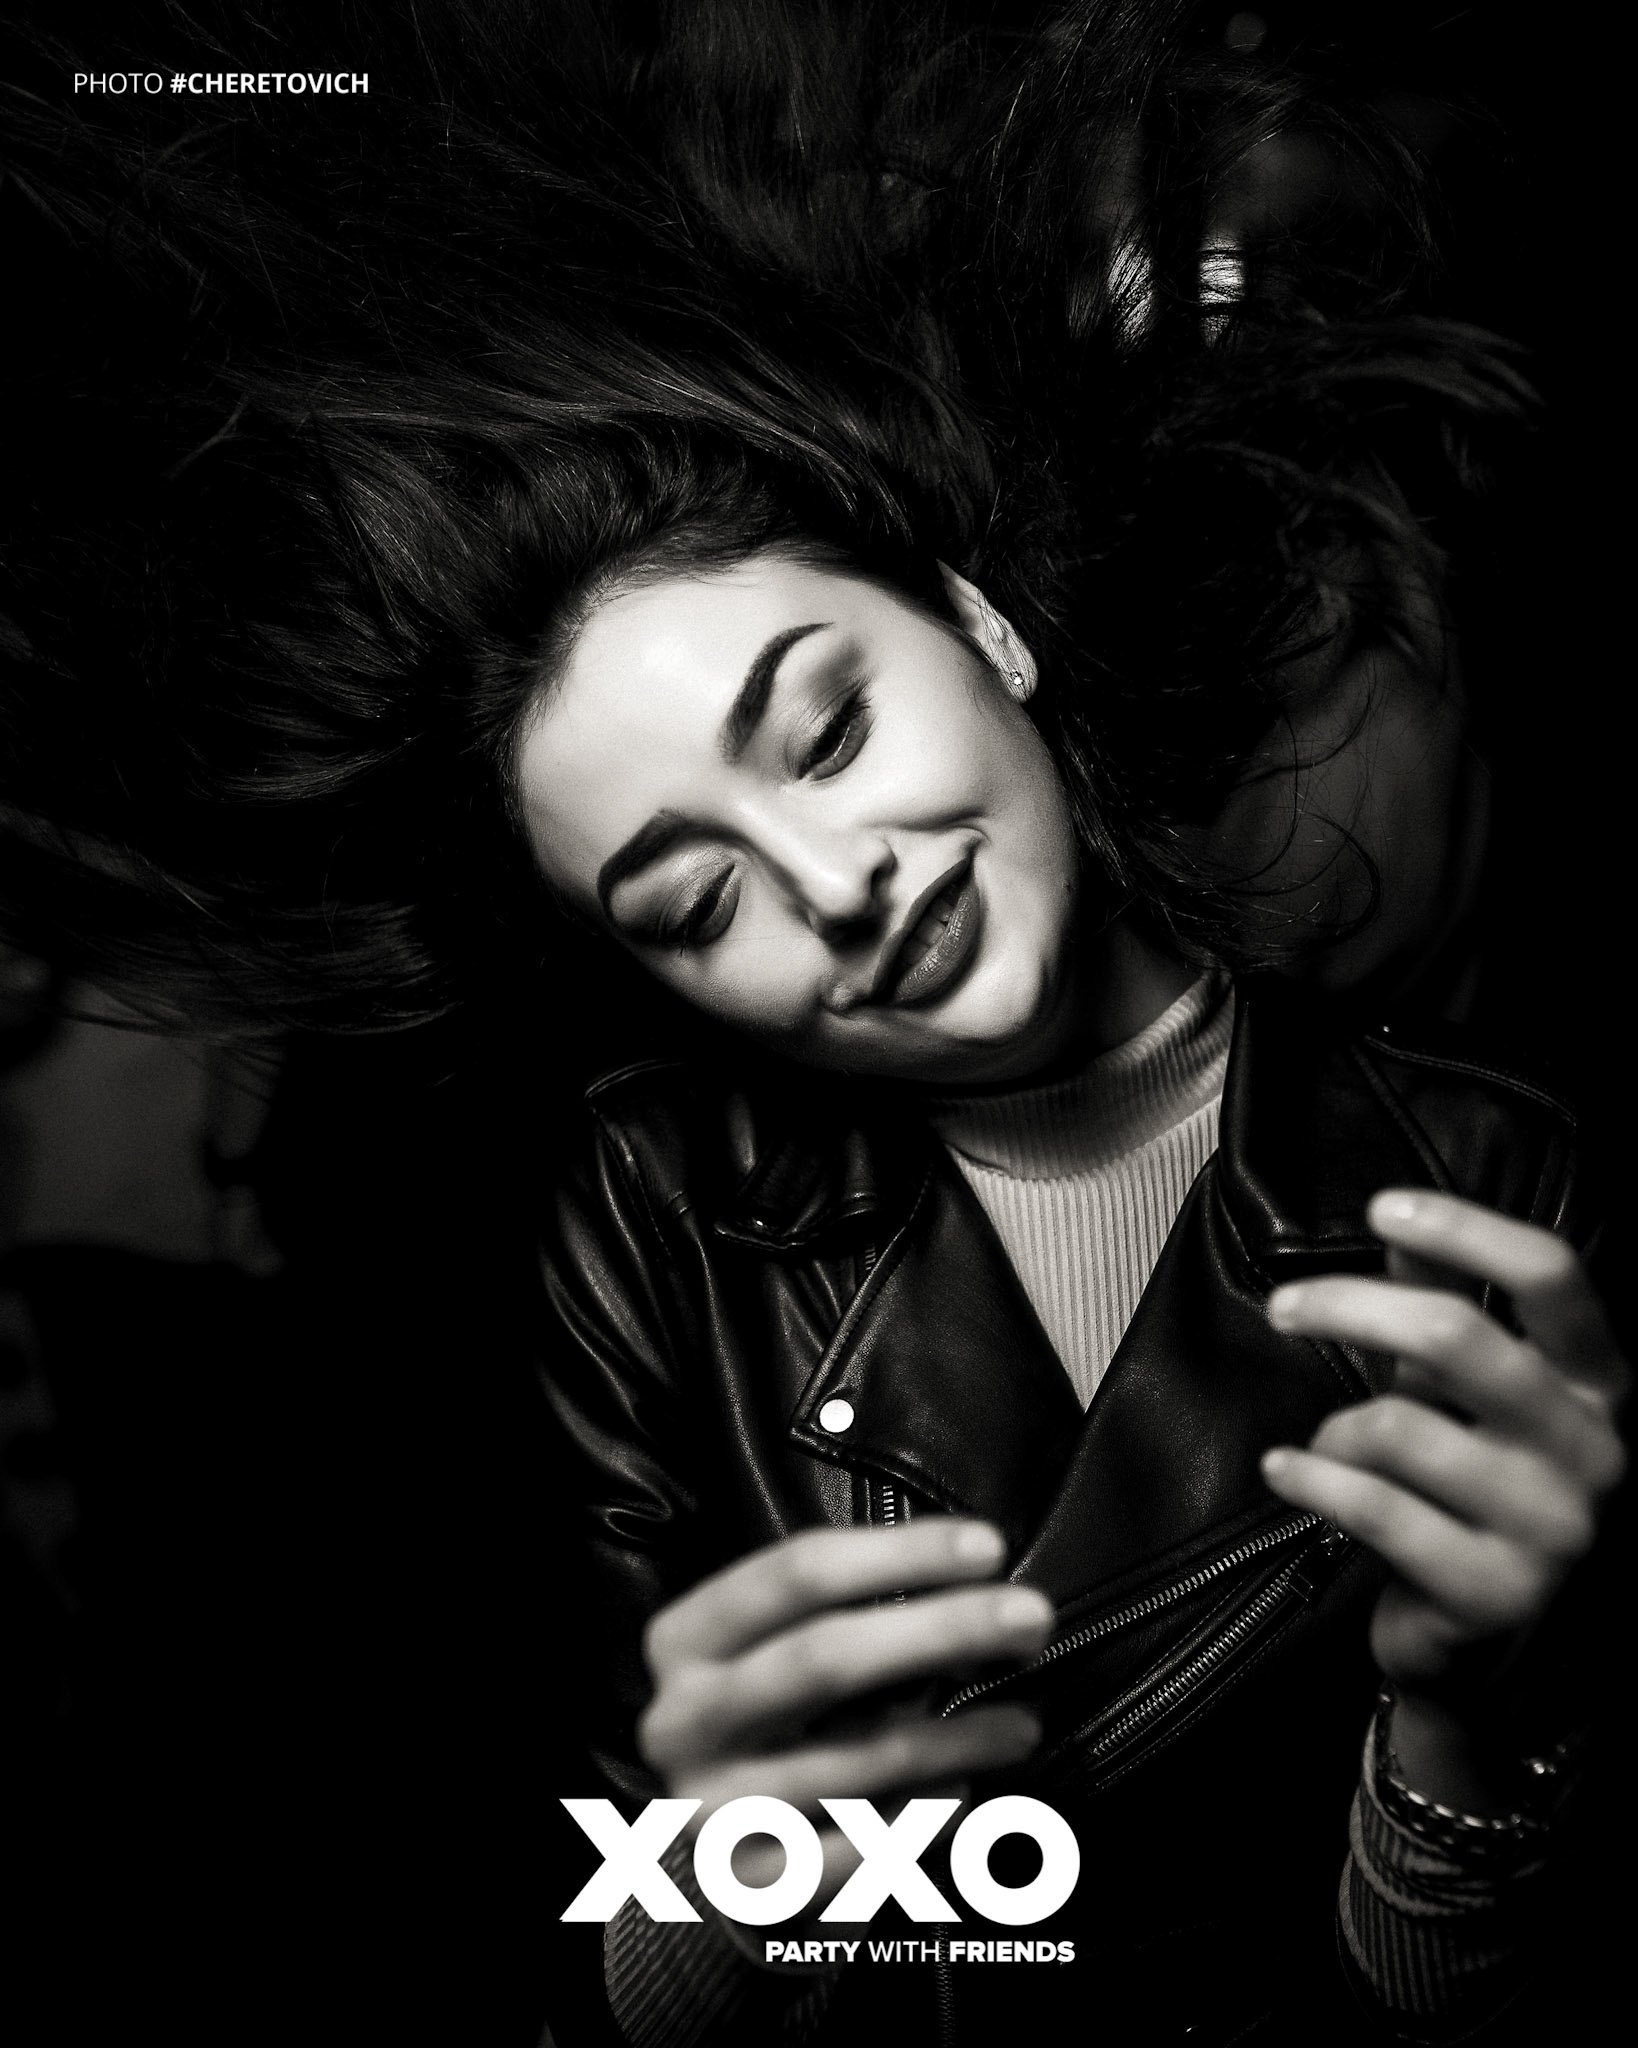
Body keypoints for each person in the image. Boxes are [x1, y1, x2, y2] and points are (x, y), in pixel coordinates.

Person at [1, 6, 1621, 2046]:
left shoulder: (1484, 1172)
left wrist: (1474, 1720)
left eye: (828, 731)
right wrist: (724, 1882)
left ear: (982, 627)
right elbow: (612, 1955)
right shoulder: (650, 1217)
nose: (834, 884)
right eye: (696, 900)